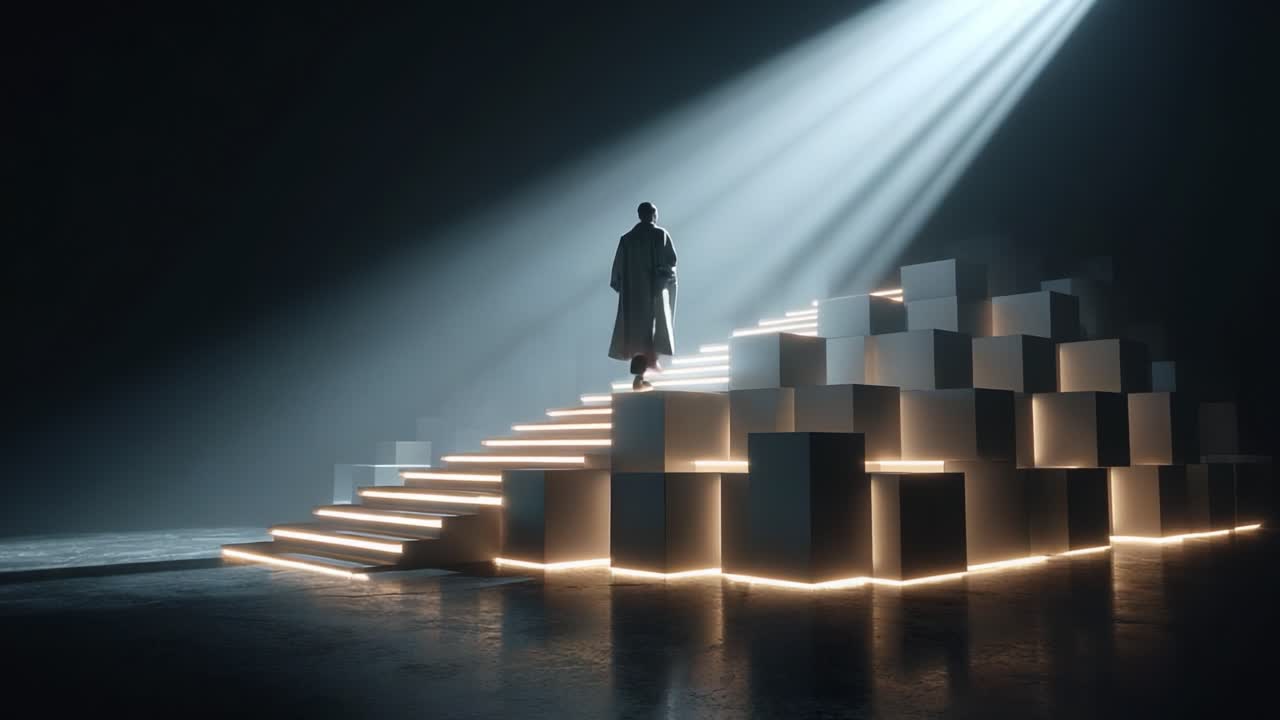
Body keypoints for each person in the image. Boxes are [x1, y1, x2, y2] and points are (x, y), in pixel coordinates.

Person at [609, 201, 677, 390]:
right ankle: (642, 375)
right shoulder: (660, 235)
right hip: (654, 293)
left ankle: (640, 375)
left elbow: (616, 276)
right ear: (653, 214)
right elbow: (669, 263)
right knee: (652, 332)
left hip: (633, 298)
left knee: (639, 335)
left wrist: (627, 290)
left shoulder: (627, 240)